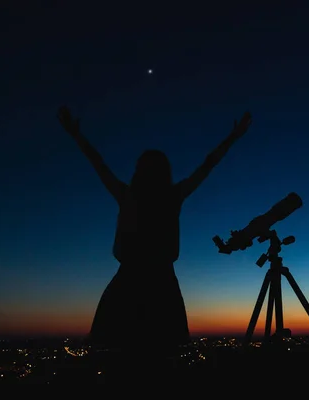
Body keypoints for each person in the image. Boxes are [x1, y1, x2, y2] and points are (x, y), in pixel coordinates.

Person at [57, 106, 252, 367]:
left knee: (124, 357)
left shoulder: (133, 195)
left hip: (133, 281)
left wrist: (75, 135)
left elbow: (98, 163)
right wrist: (233, 137)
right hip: (156, 283)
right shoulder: (170, 196)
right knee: (158, 358)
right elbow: (207, 165)